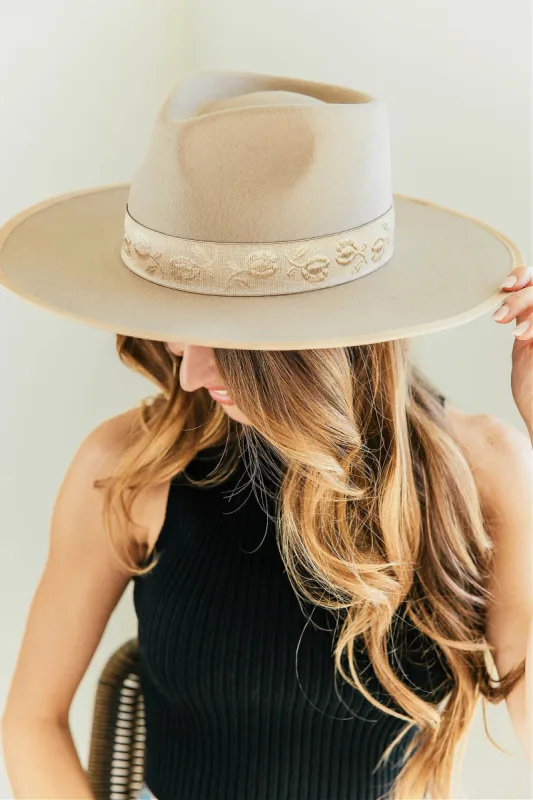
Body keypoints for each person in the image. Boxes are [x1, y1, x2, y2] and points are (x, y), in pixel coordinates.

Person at [0, 70, 531, 800]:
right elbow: (30, 721)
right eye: (175, 321)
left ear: (320, 343)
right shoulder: (130, 467)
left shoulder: (482, 468)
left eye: (227, 337)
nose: (188, 373)